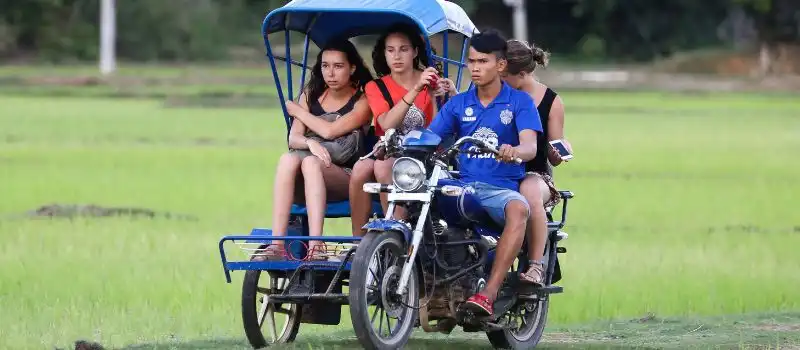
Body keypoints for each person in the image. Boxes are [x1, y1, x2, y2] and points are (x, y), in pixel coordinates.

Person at [426, 29, 542, 316]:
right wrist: (397, 144)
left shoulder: (519, 103)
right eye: (472, 62)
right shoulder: (458, 103)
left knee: (519, 209)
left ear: (501, 65)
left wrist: (514, 150)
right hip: (461, 185)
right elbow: (430, 137)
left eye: (483, 62)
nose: (475, 68)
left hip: (499, 189)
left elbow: (530, 146)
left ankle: (488, 294)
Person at [254, 38, 374, 261]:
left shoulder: (363, 101)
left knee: (309, 162)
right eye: (325, 66)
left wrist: (298, 112)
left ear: (352, 68)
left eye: (338, 66)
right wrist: (310, 143)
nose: (331, 73)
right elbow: (294, 139)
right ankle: (277, 245)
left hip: (346, 177)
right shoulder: (311, 95)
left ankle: (316, 246)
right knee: (288, 159)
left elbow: (330, 132)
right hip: (307, 179)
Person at [348, 23, 456, 236]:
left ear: (415, 52)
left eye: (403, 49)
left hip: (426, 152)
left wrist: (440, 96)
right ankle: (358, 240)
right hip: (390, 147)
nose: (396, 56)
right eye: (391, 50)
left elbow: (437, 131)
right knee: (361, 169)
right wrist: (416, 90)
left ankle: (395, 231)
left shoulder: (432, 81)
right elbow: (387, 123)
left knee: (381, 168)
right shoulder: (376, 87)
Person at [501, 39, 574, 286]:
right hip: (495, 169)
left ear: (521, 74)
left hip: (534, 173)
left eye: (504, 76)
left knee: (529, 191)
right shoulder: (492, 93)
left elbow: (556, 144)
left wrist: (559, 152)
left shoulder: (551, 101)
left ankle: (536, 266)